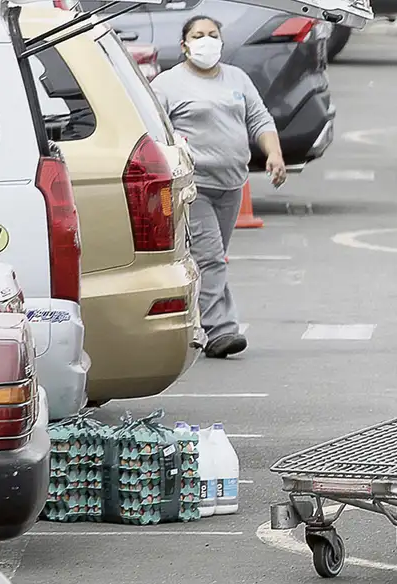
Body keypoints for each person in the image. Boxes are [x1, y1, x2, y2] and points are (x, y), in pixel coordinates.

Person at [152, 15, 286, 359]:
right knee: (211, 259)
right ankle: (220, 330)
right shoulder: (168, 85)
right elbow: (155, 133)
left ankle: (193, 320)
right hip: (193, 187)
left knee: (208, 259)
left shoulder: (236, 79)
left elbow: (259, 118)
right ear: (184, 44)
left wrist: (273, 154)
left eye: (213, 34)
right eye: (198, 35)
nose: (206, 40)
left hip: (232, 184)